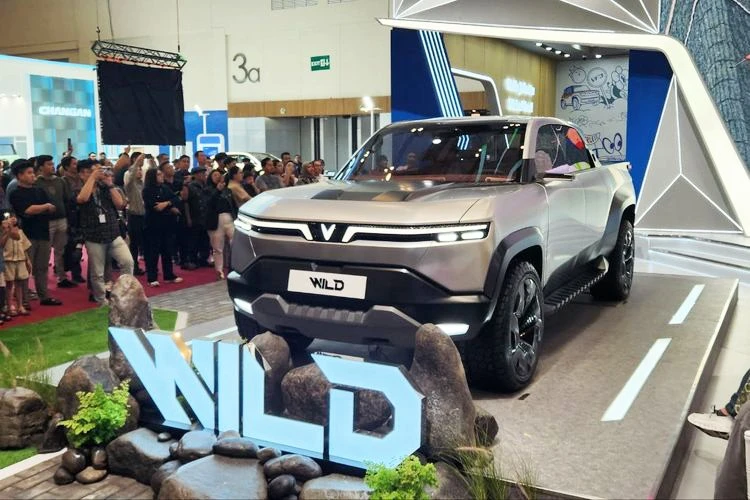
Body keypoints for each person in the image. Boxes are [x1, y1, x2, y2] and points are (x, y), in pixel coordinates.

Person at [76, 160, 134, 305]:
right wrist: (92, 178)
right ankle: (101, 300)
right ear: (83, 174)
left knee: (128, 262)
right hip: (94, 236)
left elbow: (120, 204)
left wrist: (110, 184)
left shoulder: (105, 187)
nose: (99, 173)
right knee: (98, 272)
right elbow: (82, 198)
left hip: (113, 233)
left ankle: (123, 294)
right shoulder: (78, 188)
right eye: (94, 171)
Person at [8, 161, 62, 306]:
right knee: (25, 269)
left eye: (33, 172)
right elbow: (28, 210)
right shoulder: (15, 193)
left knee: (42, 267)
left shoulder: (39, 191)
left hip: (43, 232)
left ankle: (44, 296)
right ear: (20, 176)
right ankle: (24, 300)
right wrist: (45, 207)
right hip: (27, 235)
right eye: (29, 173)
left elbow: (52, 208)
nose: (33, 176)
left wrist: (42, 208)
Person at [34, 155, 76, 289]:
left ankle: (61, 277)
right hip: (46, 221)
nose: (52, 166)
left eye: (52, 164)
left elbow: (67, 199)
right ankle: (42, 282)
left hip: (61, 219)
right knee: (44, 254)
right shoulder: (36, 183)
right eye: (48, 164)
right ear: (41, 167)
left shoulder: (60, 181)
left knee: (60, 250)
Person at [142, 168, 183, 287]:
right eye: (158, 174)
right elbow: (154, 206)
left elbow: (175, 198)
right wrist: (168, 205)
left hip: (167, 223)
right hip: (153, 224)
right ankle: (152, 277)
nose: (161, 176)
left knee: (167, 250)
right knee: (153, 252)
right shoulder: (147, 190)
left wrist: (167, 203)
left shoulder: (165, 188)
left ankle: (169, 275)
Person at [205, 170, 234, 280]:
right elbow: (209, 203)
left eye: (219, 175)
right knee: (217, 247)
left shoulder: (227, 190)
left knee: (234, 242)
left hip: (229, 217)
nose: (218, 176)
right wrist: (217, 190)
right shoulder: (207, 190)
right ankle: (219, 270)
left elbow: (232, 204)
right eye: (215, 175)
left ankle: (233, 266)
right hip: (215, 219)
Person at [3, 214, 29, 317]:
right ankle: (9, 307)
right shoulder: (4, 232)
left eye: (14, 218)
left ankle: (20, 306)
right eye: (10, 217)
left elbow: (24, 246)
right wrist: (8, 230)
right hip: (8, 260)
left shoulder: (20, 231)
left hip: (20, 259)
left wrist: (27, 260)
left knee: (19, 283)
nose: (13, 219)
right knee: (9, 284)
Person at [124, 159, 146, 275]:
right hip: (134, 216)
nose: (139, 172)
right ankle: (134, 267)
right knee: (134, 244)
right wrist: (137, 162)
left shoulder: (142, 184)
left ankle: (147, 265)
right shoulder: (130, 185)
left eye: (140, 170)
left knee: (144, 242)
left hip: (144, 216)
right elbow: (131, 175)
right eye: (137, 170)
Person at [186, 165, 211, 267]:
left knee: (205, 240)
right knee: (194, 240)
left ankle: (203, 259)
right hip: (195, 216)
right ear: (195, 175)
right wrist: (188, 218)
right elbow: (186, 203)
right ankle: (193, 259)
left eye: (204, 173)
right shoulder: (190, 187)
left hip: (205, 216)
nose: (204, 175)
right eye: (202, 173)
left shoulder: (206, 186)